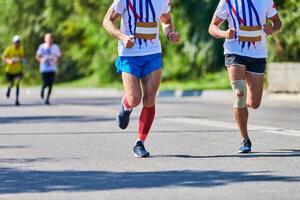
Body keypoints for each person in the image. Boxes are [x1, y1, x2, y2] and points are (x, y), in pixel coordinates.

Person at [103, 0, 180, 158]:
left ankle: (140, 142)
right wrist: (122, 37)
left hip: (152, 53)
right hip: (129, 55)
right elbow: (107, 21)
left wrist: (169, 33)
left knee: (150, 98)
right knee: (135, 99)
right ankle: (126, 105)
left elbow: (166, 21)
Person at [209, 0, 282, 153]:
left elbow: (277, 23)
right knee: (239, 93)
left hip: (258, 53)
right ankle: (245, 139)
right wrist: (224, 33)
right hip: (234, 51)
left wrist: (272, 29)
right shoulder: (228, 2)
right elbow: (212, 27)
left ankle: (242, 103)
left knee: (254, 103)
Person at [35, 33, 61, 105]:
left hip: (52, 68)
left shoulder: (55, 47)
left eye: (50, 39)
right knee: (45, 82)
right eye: (48, 39)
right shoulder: (42, 47)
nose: (49, 40)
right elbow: (37, 56)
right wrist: (41, 60)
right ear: (45, 39)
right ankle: (42, 89)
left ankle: (47, 99)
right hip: (44, 68)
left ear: (52, 39)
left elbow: (58, 56)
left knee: (50, 84)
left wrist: (56, 59)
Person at [2, 35, 25, 106]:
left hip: (18, 70)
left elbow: (22, 57)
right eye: (16, 42)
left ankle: (17, 100)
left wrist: (21, 59)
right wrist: (9, 61)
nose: (17, 43)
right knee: (11, 84)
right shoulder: (9, 49)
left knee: (17, 84)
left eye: (18, 42)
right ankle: (9, 89)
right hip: (9, 70)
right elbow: (3, 57)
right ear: (13, 42)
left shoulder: (21, 49)